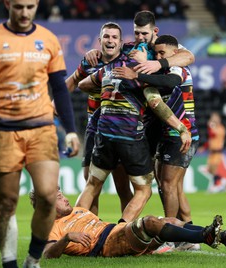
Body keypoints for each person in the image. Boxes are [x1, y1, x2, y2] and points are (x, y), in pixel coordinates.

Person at [0, 0, 80, 267]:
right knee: (7, 203)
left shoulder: (48, 40)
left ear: (37, 6)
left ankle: (33, 259)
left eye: (30, 6)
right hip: (4, 131)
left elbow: (60, 89)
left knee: (46, 196)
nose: (24, 12)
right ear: (8, 4)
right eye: (19, 6)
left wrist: (71, 131)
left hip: (41, 130)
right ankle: (9, 262)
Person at [75, 43, 191, 224]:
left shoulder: (107, 70)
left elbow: (82, 84)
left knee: (92, 185)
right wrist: (182, 128)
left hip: (103, 135)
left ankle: (73, 225)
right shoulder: (143, 78)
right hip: (129, 137)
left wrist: (108, 91)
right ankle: (119, 231)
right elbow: (156, 104)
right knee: (144, 189)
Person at [112, 34, 199, 252]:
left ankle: (168, 237)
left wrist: (138, 75)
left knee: (169, 185)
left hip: (182, 131)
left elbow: (170, 84)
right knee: (170, 186)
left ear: (174, 53)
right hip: (166, 133)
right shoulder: (157, 71)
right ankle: (188, 236)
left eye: (163, 54)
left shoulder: (177, 70)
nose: (158, 57)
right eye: (157, 53)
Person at [28, 187, 226, 257]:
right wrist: (67, 238)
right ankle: (206, 235)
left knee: (169, 221)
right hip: (106, 245)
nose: (64, 197)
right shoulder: (50, 228)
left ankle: (222, 237)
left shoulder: (76, 209)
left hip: (116, 230)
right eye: (57, 197)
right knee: (149, 222)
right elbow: (47, 255)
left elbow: (92, 184)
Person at [65, 22, 133, 215]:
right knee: (91, 184)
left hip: (120, 129)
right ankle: (93, 231)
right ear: (100, 40)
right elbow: (71, 82)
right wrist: (53, 106)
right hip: (95, 129)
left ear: (120, 42)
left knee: (122, 185)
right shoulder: (90, 62)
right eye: (106, 37)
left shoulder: (128, 61)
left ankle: (125, 231)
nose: (110, 40)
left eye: (114, 37)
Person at [203, 112, 226, 193]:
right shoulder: (214, 127)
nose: (213, 119)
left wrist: (210, 126)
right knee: (210, 170)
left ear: (219, 119)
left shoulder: (221, 128)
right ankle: (222, 181)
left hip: (217, 152)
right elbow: (210, 138)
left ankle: (216, 185)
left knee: (213, 169)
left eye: (215, 117)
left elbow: (212, 134)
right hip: (212, 152)